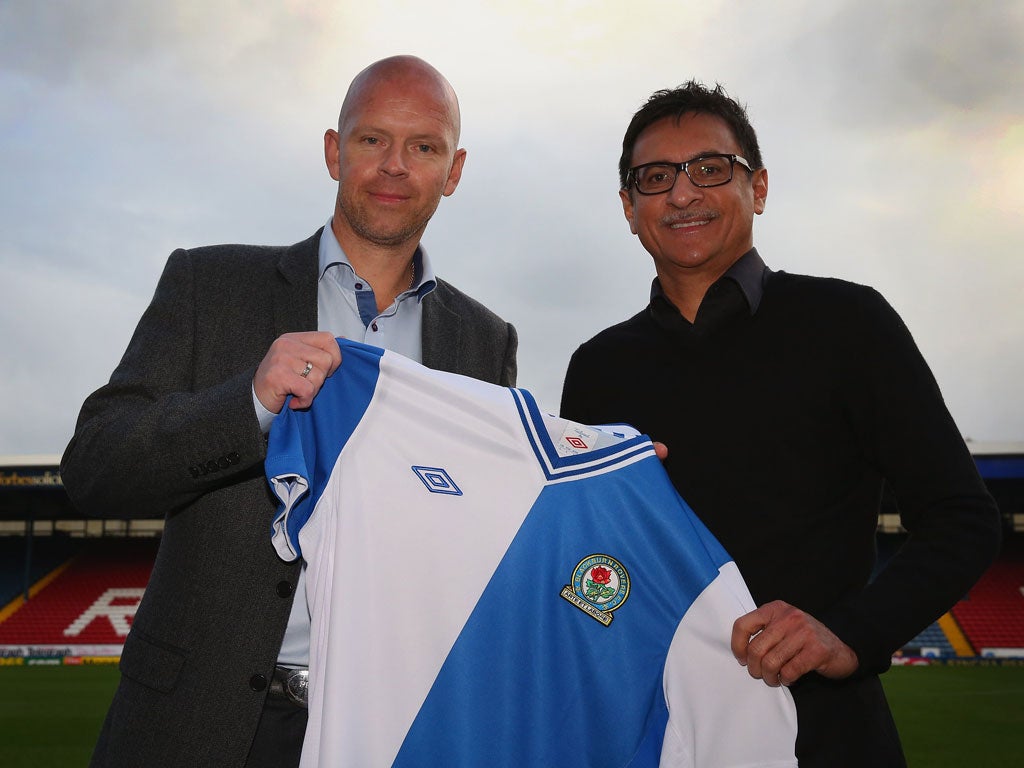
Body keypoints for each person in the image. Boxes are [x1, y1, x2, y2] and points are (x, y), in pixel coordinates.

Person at [60, 55, 517, 768]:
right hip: (197, 722)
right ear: (335, 151)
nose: (395, 166)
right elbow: (94, 467)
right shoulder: (210, 285)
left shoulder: (486, 341)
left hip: (384, 727)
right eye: (372, 140)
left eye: (423, 147)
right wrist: (248, 402)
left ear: (453, 172)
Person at [559, 81, 1001, 767]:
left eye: (710, 168)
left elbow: (963, 517)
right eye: (655, 177)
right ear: (628, 207)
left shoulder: (849, 324)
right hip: (650, 734)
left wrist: (849, 633)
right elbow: (590, 564)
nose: (681, 194)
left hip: (823, 736)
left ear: (757, 187)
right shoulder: (597, 368)